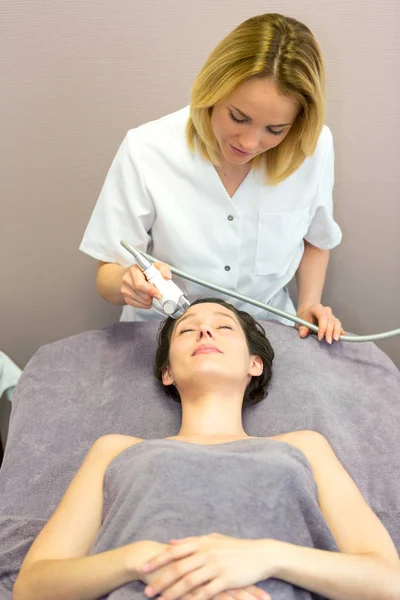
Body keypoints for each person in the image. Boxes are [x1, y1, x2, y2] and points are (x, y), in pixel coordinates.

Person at [13, 299, 400, 600]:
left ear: (255, 364)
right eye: (187, 331)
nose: (204, 334)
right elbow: (32, 586)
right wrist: (141, 559)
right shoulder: (114, 449)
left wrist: (265, 556)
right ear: (168, 372)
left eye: (223, 327)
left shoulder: (305, 446)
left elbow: (387, 581)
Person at [79, 13, 345, 345]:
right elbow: (107, 274)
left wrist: (308, 304)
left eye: (274, 130)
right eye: (238, 117)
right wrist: (128, 282)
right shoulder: (147, 149)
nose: (249, 143)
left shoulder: (314, 147)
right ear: (213, 90)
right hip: (166, 332)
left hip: (269, 332)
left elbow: (317, 238)